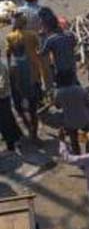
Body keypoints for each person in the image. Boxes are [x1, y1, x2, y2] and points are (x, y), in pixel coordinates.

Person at [6, 13, 46, 144]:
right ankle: (34, 133)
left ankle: (28, 127)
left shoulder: (10, 37)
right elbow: (38, 49)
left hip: (17, 79)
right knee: (33, 108)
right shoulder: (32, 35)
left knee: (19, 107)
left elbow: (8, 53)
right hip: (33, 74)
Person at [54, 70, 89, 153]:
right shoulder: (80, 90)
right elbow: (88, 103)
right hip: (84, 118)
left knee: (74, 140)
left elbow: (57, 106)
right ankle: (88, 153)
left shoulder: (59, 93)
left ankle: (78, 157)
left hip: (69, 121)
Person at [40, 11, 78, 81]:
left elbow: (43, 52)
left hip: (60, 68)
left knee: (62, 84)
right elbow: (74, 44)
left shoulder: (51, 40)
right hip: (72, 65)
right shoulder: (70, 35)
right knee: (74, 81)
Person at [0, 59, 23, 153]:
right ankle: (17, 136)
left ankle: (12, 143)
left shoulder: (1, 67)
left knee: (4, 122)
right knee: (8, 118)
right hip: (4, 97)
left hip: (2, 97)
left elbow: (1, 85)